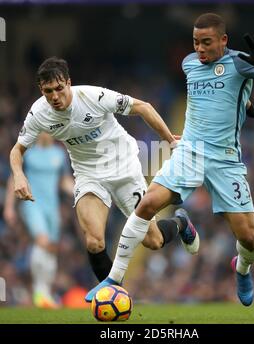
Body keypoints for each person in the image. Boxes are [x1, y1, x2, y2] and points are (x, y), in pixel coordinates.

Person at [87, 13, 254, 306]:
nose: (200, 48)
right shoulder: (189, 64)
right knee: (146, 204)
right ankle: (113, 279)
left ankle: (242, 267)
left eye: (206, 42)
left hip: (225, 160)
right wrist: (249, 106)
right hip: (190, 152)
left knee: (248, 238)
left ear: (223, 40)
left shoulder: (240, 62)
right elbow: (213, 98)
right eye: (196, 42)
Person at [9, 57, 202, 304]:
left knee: (153, 241)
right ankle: (115, 298)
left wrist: (171, 142)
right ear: (41, 91)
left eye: (59, 88)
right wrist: (19, 175)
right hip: (89, 176)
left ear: (69, 83)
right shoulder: (39, 114)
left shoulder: (93, 96)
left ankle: (181, 223)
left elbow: (143, 106)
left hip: (124, 169)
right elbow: (17, 150)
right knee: (93, 239)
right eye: (48, 92)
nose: (55, 96)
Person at [4, 132, 74, 308]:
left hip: (52, 207)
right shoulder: (28, 153)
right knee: (42, 241)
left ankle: (45, 293)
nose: (46, 133)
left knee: (51, 247)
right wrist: (9, 207)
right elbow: (14, 179)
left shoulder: (59, 154)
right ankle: (39, 290)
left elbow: (64, 181)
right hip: (32, 204)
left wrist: (79, 193)